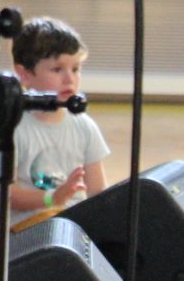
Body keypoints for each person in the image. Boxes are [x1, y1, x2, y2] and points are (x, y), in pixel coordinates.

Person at [8, 17, 109, 228]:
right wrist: (52, 198)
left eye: (76, 68)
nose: (69, 79)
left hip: (72, 227)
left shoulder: (84, 125)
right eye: (57, 69)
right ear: (24, 74)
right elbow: (7, 195)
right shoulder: (13, 127)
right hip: (26, 231)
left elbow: (98, 192)